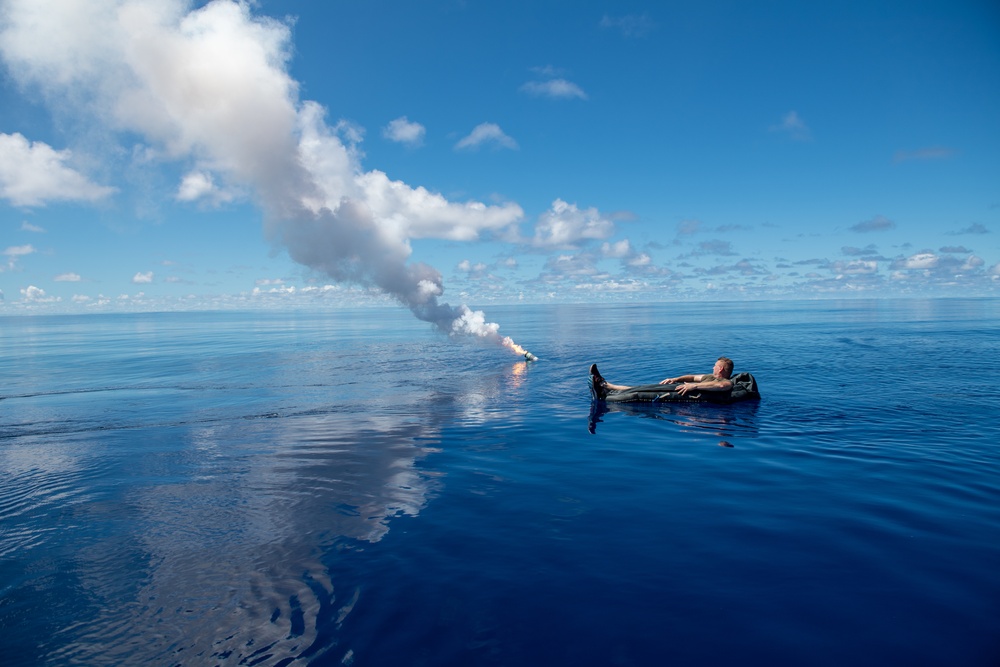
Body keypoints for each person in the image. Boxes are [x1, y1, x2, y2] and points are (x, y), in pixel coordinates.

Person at [589, 357, 735, 400]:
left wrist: (693, 386)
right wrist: (676, 379)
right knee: (642, 387)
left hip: (681, 394)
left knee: (638, 394)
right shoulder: (709, 376)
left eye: (715, 366)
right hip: (676, 387)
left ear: (721, 369)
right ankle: (606, 386)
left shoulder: (725, 382)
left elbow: (723, 387)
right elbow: (693, 376)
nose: (712, 367)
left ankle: (604, 394)